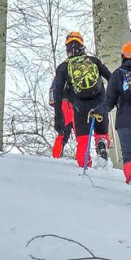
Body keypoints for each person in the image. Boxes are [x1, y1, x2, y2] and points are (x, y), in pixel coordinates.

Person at [89, 42, 131, 187]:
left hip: (125, 119)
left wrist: (96, 111)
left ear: (124, 55)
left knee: (129, 154)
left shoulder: (117, 74)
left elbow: (109, 102)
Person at [51, 31, 112, 168]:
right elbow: (112, 78)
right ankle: (101, 143)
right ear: (82, 46)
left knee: (83, 141)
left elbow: (57, 93)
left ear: (67, 49)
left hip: (80, 106)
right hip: (100, 102)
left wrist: (58, 115)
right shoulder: (94, 61)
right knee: (101, 133)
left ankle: (85, 166)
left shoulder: (63, 67)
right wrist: (110, 99)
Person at [49, 77, 74, 159]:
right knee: (82, 135)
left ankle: (55, 156)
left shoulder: (60, 73)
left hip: (61, 105)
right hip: (72, 104)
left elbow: (52, 93)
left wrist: (55, 104)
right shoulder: (72, 71)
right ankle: (85, 161)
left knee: (63, 133)